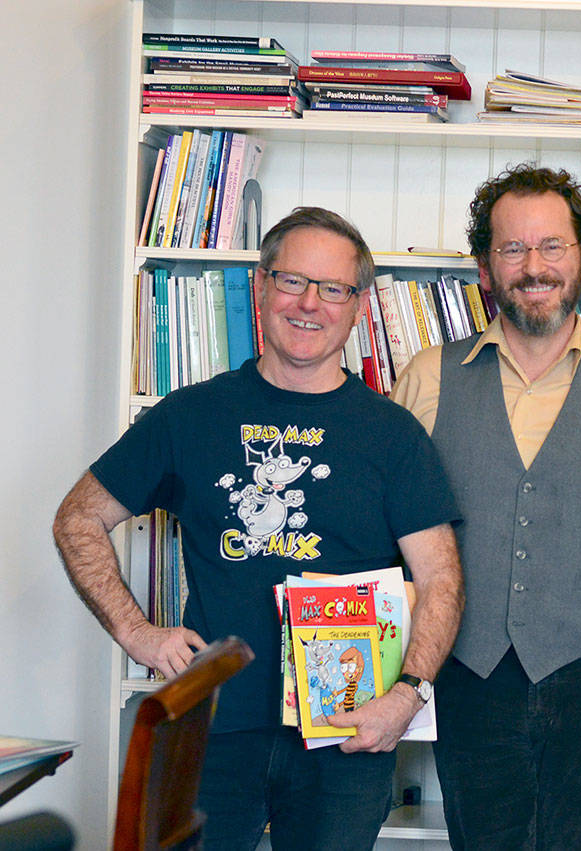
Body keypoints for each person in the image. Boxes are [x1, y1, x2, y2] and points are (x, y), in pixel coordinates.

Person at [51, 207, 464, 850]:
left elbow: (441, 578)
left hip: (344, 733)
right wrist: (137, 634)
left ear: (357, 307)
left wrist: (407, 697)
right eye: (293, 281)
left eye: (334, 289)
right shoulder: (189, 415)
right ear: (262, 287)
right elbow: (78, 517)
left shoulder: (393, 436)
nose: (310, 304)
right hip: (212, 725)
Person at [390, 163, 581, 850]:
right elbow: (389, 544)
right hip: (468, 679)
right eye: (513, 249)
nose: (533, 266)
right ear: (486, 268)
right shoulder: (428, 379)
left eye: (551, 246)